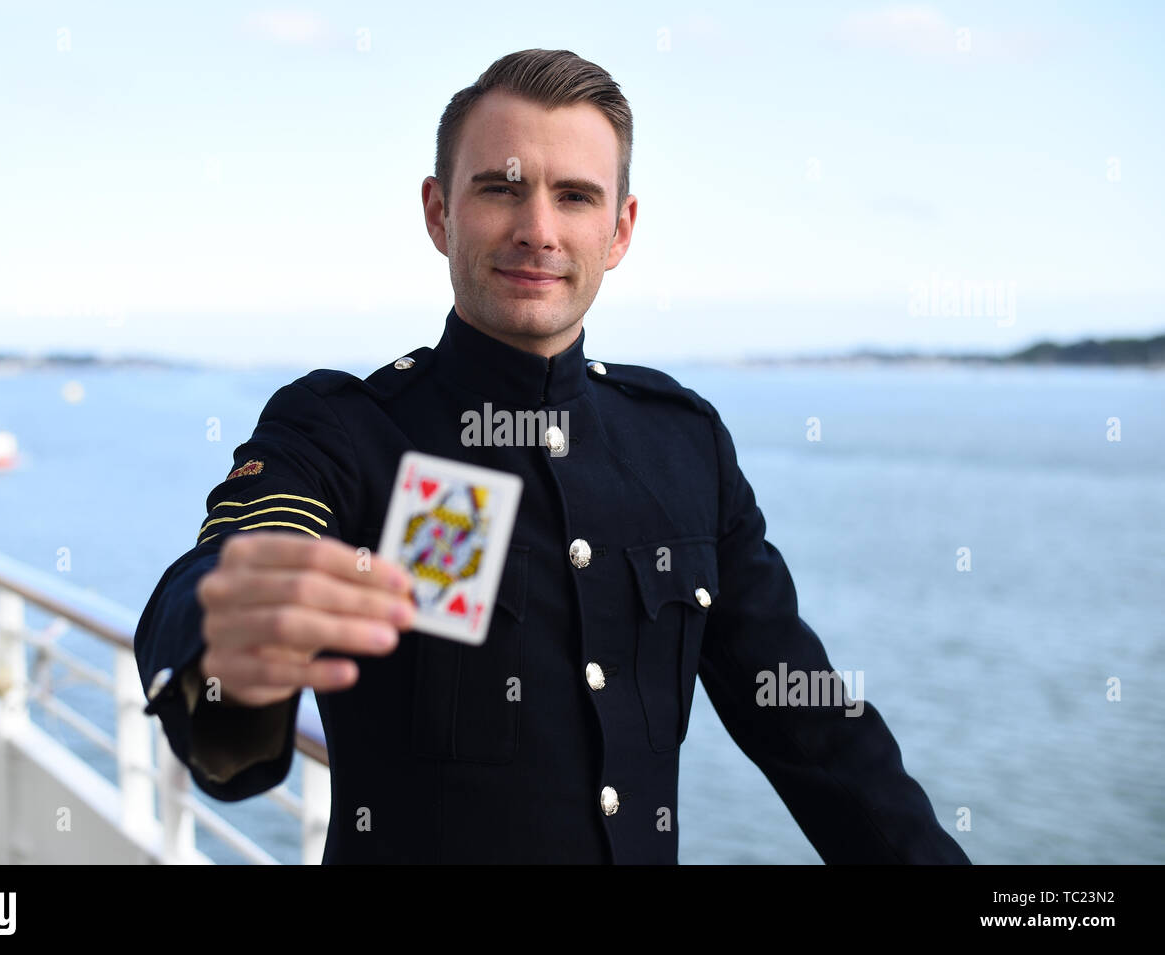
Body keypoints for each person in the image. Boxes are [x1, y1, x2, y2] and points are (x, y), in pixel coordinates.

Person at [135, 48, 970, 864]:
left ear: (620, 229)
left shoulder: (682, 444)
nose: (538, 230)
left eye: (575, 197)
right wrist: (226, 640)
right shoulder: (345, 432)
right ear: (439, 212)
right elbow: (220, 575)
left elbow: (814, 727)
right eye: (501, 188)